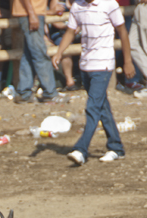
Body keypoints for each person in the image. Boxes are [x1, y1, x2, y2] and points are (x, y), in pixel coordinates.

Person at [53, 0, 136, 165]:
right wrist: (59, 52)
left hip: (103, 65)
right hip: (85, 65)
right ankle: (116, 147)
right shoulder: (78, 6)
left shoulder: (109, 4)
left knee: (92, 107)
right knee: (101, 106)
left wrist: (127, 60)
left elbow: (122, 32)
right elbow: (71, 31)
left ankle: (81, 149)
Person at [11, 0, 66, 103]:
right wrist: (32, 14)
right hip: (30, 13)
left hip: (34, 12)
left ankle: (24, 92)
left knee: (28, 55)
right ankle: (50, 93)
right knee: (39, 53)